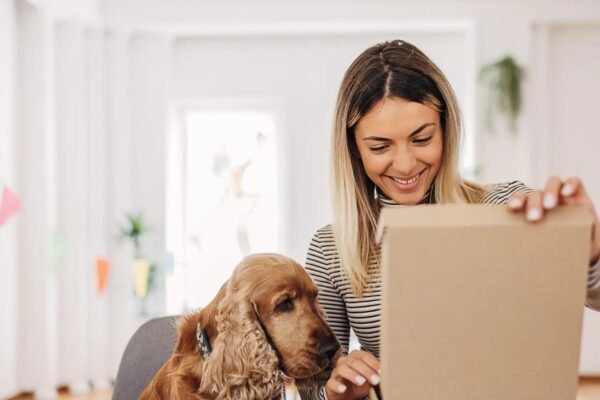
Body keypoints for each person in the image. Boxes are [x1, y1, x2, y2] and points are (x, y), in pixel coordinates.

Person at [299, 40, 600, 400]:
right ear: (353, 149)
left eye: (422, 138)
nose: (406, 164)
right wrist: (337, 392)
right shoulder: (331, 248)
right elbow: (312, 388)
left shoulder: (505, 207)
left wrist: (590, 252)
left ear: (446, 128)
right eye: (380, 147)